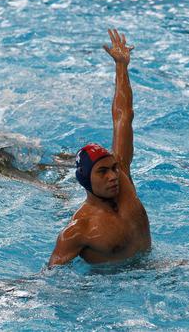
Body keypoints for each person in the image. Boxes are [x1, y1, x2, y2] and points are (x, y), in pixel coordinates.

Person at [48, 29, 151, 266]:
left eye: (113, 168)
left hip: (154, 267)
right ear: (86, 179)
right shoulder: (78, 231)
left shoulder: (123, 177)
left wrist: (121, 66)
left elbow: (123, 116)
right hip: (114, 290)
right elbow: (50, 277)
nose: (114, 175)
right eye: (102, 172)